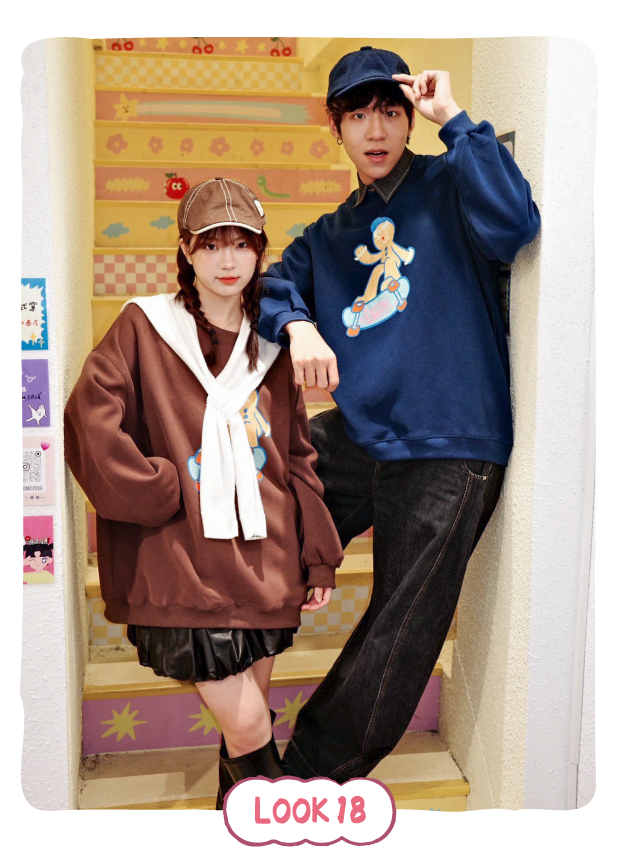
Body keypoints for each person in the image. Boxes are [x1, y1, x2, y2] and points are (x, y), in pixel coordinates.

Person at [257, 47, 541, 782]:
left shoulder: (450, 181)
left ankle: (306, 783)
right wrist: (298, 325)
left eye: (390, 111)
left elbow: (515, 224)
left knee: (399, 627)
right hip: (363, 435)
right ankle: (244, 722)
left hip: (451, 441)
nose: (376, 130)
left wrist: (455, 120)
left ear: (408, 118)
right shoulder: (328, 235)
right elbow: (266, 289)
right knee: (251, 501)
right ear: (336, 128)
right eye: (358, 116)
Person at [64, 178, 344, 807]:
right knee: (249, 728)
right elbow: (88, 420)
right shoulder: (145, 326)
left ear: (260, 252)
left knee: (244, 733)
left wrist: (319, 553)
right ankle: (279, 828)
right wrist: (156, 489)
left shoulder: (272, 344)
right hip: (182, 564)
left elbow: (296, 454)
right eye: (211, 244)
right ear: (187, 250)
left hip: (265, 563)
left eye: (241, 244)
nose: (227, 260)